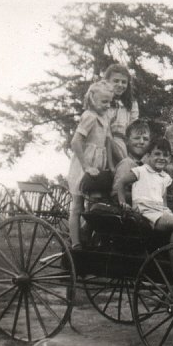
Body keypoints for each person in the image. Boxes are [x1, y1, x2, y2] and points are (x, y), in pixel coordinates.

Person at [115, 138, 173, 247]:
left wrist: (169, 214)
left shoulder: (165, 177)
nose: (161, 158)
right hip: (144, 212)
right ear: (149, 155)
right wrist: (123, 202)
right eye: (157, 154)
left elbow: (162, 200)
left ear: (169, 158)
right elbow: (121, 183)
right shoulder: (141, 171)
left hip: (160, 212)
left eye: (165, 155)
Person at [67, 80, 115, 249]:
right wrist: (86, 166)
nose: (107, 105)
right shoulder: (89, 117)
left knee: (96, 205)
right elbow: (75, 142)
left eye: (110, 101)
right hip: (83, 167)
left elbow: (108, 142)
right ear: (93, 99)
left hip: (98, 167)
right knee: (78, 206)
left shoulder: (105, 117)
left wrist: (110, 165)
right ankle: (75, 243)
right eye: (104, 101)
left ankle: (86, 234)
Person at [104, 62, 139, 165]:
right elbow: (105, 128)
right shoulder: (103, 101)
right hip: (104, 142)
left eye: (124, 82)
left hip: (122, 143)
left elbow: (133, 128)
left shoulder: (131, 104)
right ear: (107, 81)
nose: (120, 85)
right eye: (116, 81)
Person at [112, 119, 151, 206]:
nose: (141, 142)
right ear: (127, 141)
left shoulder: (149, 163)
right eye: (137, 138)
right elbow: (116, 194)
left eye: (145, 139)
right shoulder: (127, 164)